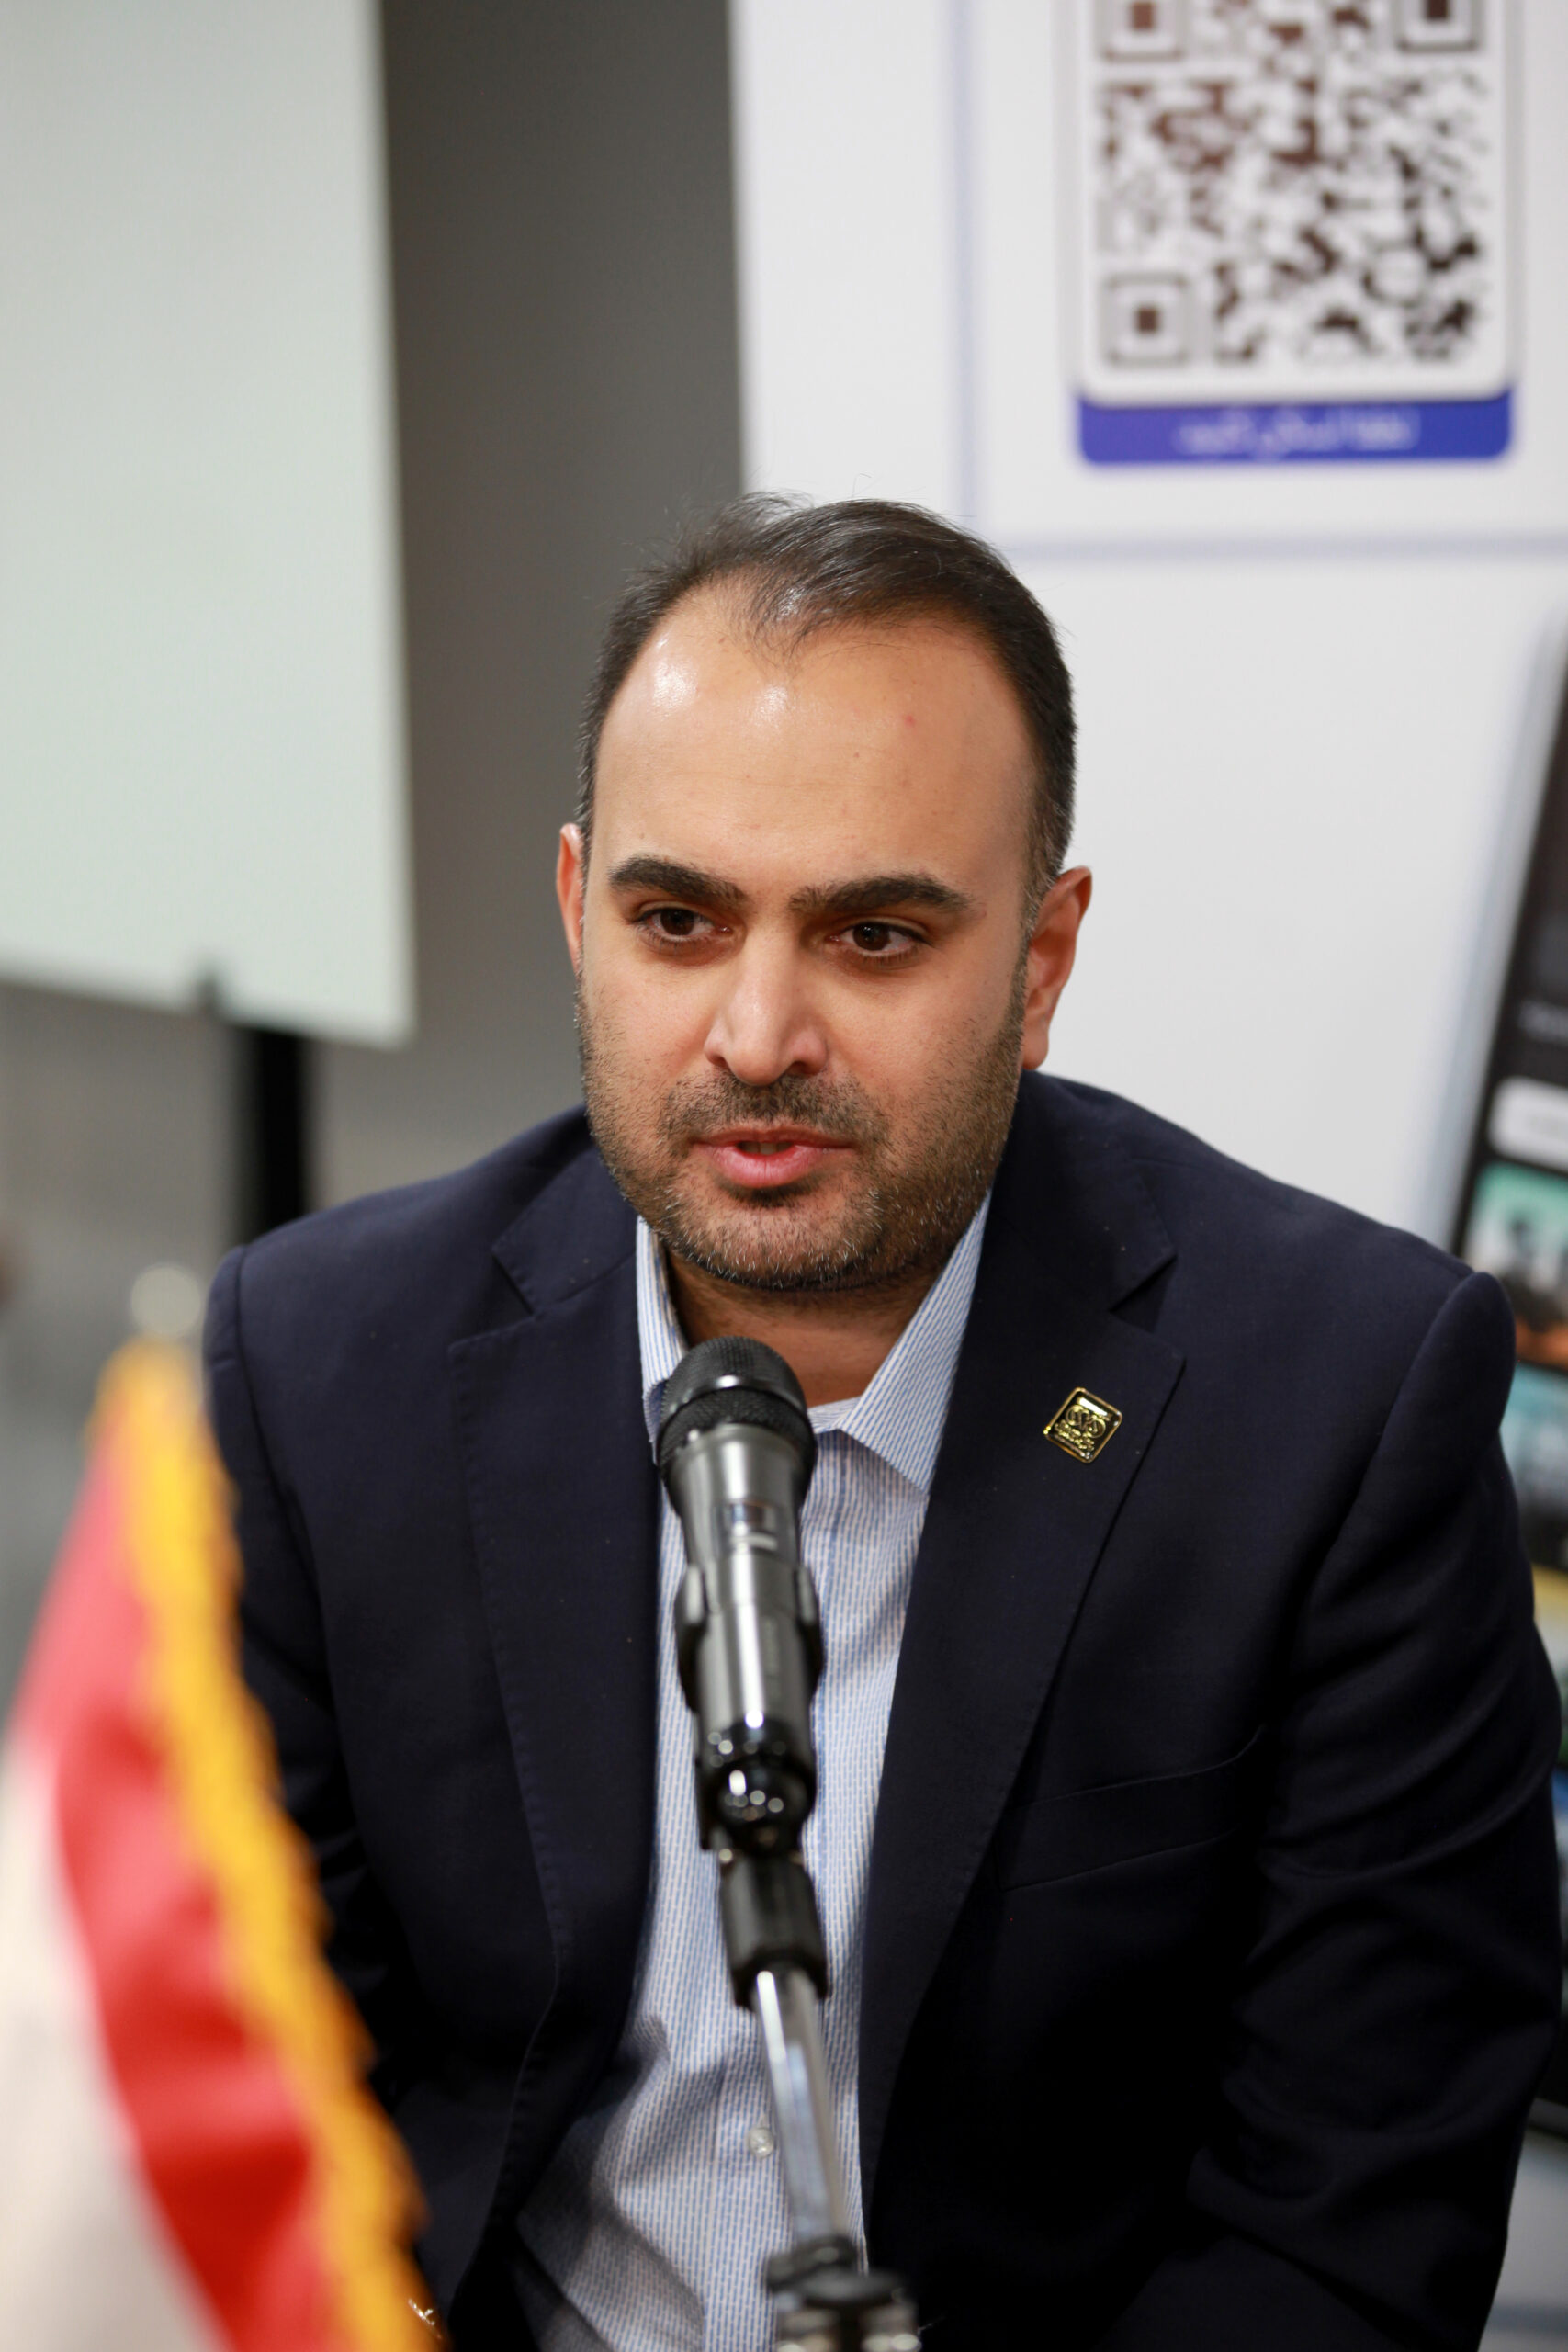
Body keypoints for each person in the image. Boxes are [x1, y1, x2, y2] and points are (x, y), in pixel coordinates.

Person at [204, 498, 1562, 2352]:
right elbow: (258, 2084)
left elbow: (1347, 2225)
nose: (757, 1033)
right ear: (576, 912)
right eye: (676, 921)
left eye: (873, 933)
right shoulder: (320, 1362)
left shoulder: (1339, 1409)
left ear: (1041, 960)